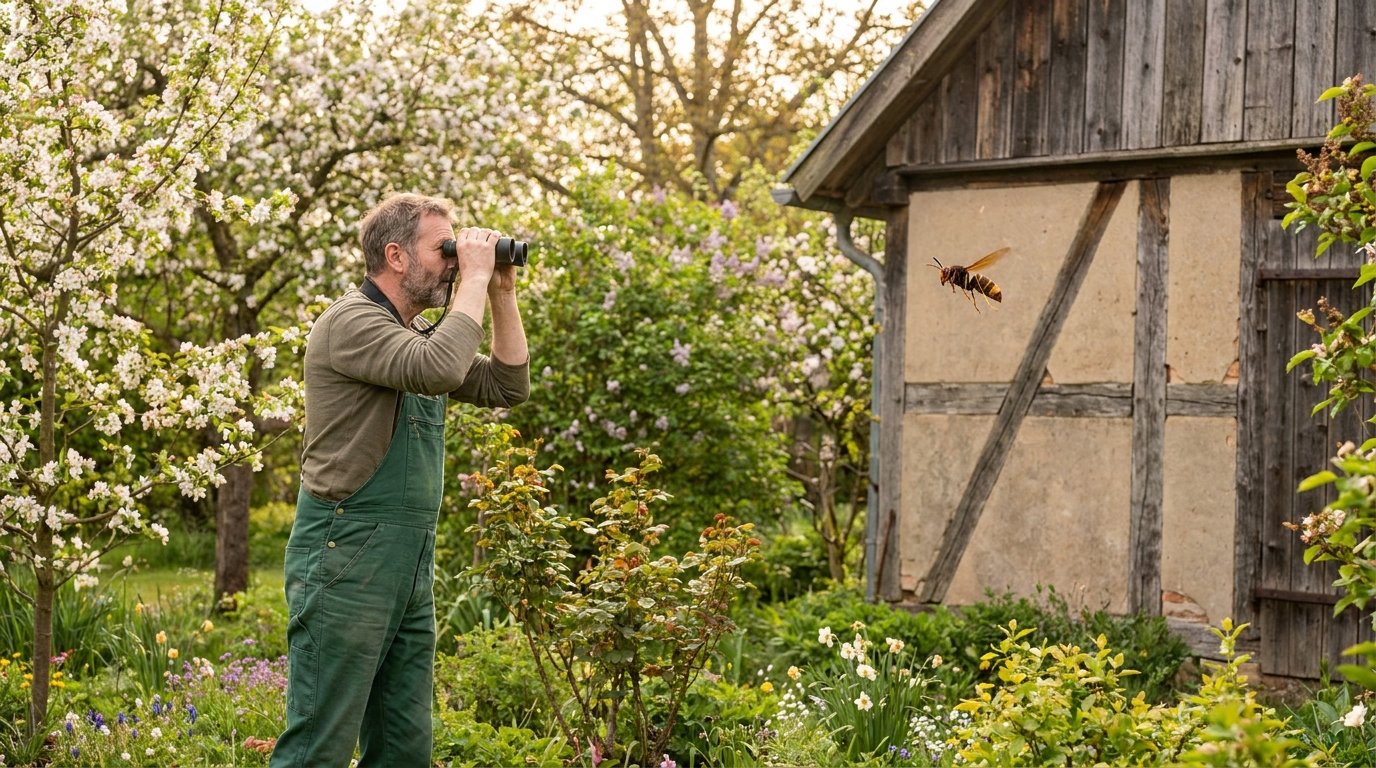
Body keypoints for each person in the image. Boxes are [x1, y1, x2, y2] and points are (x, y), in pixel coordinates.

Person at [270, 193, 529, 767]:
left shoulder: (414, 336)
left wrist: (501, 290)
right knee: (320, 744)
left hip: (408, 561)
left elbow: (507, 387)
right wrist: (475, 279)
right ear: (396, 256)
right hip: (346, 557)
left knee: (404, 745)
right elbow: (439, 369)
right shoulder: (351, 323)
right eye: (443, 248)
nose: (456, 258)